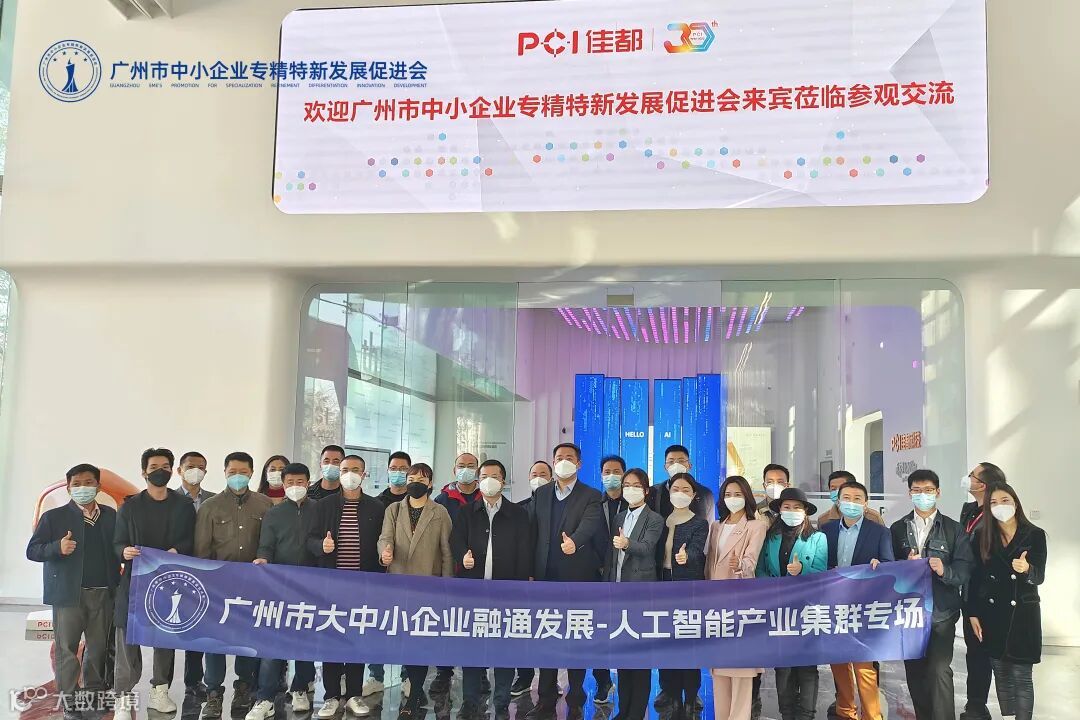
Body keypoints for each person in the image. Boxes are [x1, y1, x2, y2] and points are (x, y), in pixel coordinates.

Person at [27, 464, 120, 720]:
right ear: (68, 488)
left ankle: (92, 696)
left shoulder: (111, 516)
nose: (82, 488)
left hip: (103, 594)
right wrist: (56, 547)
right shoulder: (54, 517)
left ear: (98, 487)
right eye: (76, 484)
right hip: (68, 595)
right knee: (67, 649)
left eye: (88, 483)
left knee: (98, 649)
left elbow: (119, 548)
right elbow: (32, 550)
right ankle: (69, 701)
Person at [112, 448, 197, 720]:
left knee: (164, 637)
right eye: (154, 467)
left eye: (165, 466)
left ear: (172, 470)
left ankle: (160, 691)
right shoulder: (130, 507)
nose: (160, 471)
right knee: (127, 638)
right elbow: (117, 542)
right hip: (134, 583)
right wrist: (124, 551)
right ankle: (123, 697)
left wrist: (176, 550)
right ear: (144, 472)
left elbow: (190, 541)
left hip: (170, 583)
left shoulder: (183, 506)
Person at [525, 443, 604, 720]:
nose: (564, 462)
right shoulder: (542, 493)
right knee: (547, 638)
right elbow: (533, 532)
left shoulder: (591, 495)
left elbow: (589, 525)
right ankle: (545, 700)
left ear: (579, 463)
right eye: (559, 457)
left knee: (575, 639)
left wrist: (575, 542)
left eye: (569, 458)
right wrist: (530, 571)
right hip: (545, 576)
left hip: (578, 578)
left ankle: (576, 699)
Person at [308, 454, 388, 719]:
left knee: (357, 639)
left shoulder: (376, 507)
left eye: (355, 470)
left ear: (364, 474)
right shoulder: (324, 505)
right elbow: (310, 539)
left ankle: (354, 694)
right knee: (331, 638)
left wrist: (383, 560)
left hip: (363, 586)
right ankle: (331, 696)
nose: (349, 474)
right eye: (345, 469)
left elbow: (382, 542)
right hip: (331, 584)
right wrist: (321, 546)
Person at [890, 469, 973, 720]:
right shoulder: (898, 528)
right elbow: (889, 569)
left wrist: (944, 570)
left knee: (939, 670)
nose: (922, 495)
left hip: (941, 613)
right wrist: (905, 566)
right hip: (909, 614)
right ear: (909, 493)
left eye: (928, 490)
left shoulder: (953, 529)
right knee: (915, 671)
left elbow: (964, 570)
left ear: (938, 492)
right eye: (917, 490)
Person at [452, 460, 533, 720]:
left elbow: (524, 552)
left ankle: (501, 702)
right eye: (484, 475)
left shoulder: (518, 514)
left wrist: (520, 589)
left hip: (506, 592)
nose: (489, 480)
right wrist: (462, 556)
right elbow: (456, 541)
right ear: (478, 480)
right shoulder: (466, 512)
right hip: (473, 591)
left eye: (494, 476)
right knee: (472, 649)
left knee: (504, 649)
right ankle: (470, 701)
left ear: (503, 481)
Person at [195, 451, 273, 718]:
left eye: (243, 472)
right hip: (218, 585)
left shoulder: (265, 505)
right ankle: (213, 694)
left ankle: (243, 688)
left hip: (254, 585)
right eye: (232, 472)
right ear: (224, 473)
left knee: (248, 638)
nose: (237, 477)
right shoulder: (210, 507)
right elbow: (202, 550)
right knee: (214, 640)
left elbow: (268, 544)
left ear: (251, 473)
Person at [378, 462, 454, 720]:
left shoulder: (439, 512)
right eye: (411, 479)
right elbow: (385, 538)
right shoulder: (393, 509)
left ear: (430, 483)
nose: (415, 483)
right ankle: (411, 686)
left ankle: (414, 693)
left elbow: (447, 551)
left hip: (428, 586)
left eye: (421, 479)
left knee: (420, 640)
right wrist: (385, 552)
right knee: (403, 640)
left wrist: (447, 585)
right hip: (398, 583)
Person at [967, 483, 1046, 720]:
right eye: (993, 503)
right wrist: (972, 613)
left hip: (1023, 614)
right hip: (992, 613)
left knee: (1022, 675)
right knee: (1000, 671)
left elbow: (1039, 576)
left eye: (1005, 501)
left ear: (1015, 503)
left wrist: (1027, 569)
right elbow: (975, 578)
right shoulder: (982, 536)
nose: (999, 506)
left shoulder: (1034, 534)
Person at [247, 463, 320, 720]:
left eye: (300, 482)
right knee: (273, 642)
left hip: (311, 586)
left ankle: (300, 688)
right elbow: (265, 546)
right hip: (279, 586)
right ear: (283, 483)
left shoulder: (319, 510)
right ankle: (265, 697)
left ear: (308, 483)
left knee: (305, 641)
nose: (295, 487)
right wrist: (263, 559)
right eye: (290, 482)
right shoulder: (274, 513)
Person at [820, 480, 894, 720]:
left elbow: (890, 565)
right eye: (846, 498)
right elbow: (819, 564)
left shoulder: (879, 531)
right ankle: (845, 711)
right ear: (838, 501)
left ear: (866, 503)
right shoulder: (826, 530)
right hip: (833, 606)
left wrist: (880, 566)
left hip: (864, 607)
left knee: (864, 666)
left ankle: (872, 715)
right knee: (838, 662)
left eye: (857, 499)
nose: (851, 503)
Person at [758, 487, 827, 720]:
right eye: (787, 507)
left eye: (797, 507)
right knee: (783, 666)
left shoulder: (818, 538)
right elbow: (761, 570)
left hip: (807, 609)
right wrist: (774, 588)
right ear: (779, 510)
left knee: (807, 666)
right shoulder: (770, 537)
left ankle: (806, 715)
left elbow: (821, 572)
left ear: (805, 511)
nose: (792, 511)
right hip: (779, 610)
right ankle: (786, 713)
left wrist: (802, 570)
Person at [706, 476, 767, 720]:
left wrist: (740, 565)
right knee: (719, 669)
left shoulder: (755, 525)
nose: (733, 499)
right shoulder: (716, 526)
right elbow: (710, 564)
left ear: (747, 497)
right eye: (728, 494)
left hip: (740, 603)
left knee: (740, 669)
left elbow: (751, 560)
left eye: (738, 494)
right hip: (714, 605)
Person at [607, 468, 664, 720]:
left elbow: (647, 547)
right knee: (622, 656)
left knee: (640, 659)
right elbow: (611, 556)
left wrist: (627, 543)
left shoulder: (655, 518)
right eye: (626, 485)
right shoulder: (619, 517)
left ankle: (637, 713)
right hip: (618, 591)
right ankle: (623, 711)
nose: (630, 489)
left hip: (641, 592)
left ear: (646, 490)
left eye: (636, 485)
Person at [654, 473, 709, 715]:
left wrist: (687, 556)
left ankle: (690, 695)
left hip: (688, 588)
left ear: (694, 495)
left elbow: (697, 551)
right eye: (676, 488)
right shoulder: (661, 520)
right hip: (663, 585)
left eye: (686, 489)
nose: (680, 493)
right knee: (668, 643)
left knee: (688, 642)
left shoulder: (699, 523)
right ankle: (672, 694)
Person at [430, 451, 482, 695]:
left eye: (471, 466)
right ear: (454, 470)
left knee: (478, 623)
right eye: (462, 465)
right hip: (449, 570)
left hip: (478, 572)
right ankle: (444, 671)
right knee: (447, 623)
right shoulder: (442, 500)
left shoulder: (486, 497)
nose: (466, 470)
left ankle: (480, 672)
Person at [959, 461, 1006, 720]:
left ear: (983, 484)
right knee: (973, 650)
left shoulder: (997, 515)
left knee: (983, 651)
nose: (968, 478)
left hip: (987, 592)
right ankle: (974, 703)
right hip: (967, 590)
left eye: (972, 475)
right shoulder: (969, 510)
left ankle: (979, 705)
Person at [366, 450, 412, 697]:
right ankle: (376, 675)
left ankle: (407, 676)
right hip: (380, 574)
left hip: (409, 574)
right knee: (378, 624)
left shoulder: (419, 502)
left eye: (403, 469)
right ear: (387, 470)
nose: (398, 473)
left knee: (408, 624)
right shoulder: (376, 503)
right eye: (394, 468)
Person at [749, 462, 792, 718]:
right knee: (754, 655)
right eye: (770, 481)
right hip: (758, 592)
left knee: (784, 658)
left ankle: (787, 708)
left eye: (780, 481)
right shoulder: (754, 511)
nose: (775, 485)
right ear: (763, 484)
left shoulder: (795, 510)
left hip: (789, 596)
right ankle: (752, 707)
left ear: (788, 484)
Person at [511, 459, 553, 699]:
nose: (538, 478)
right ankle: (524, 676)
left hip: (550, 577)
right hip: (524, 577)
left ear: (551, 478)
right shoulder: (518, 509)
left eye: (543, 473)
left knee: (549, 627)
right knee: (523, 627)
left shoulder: (558, 507)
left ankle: (550, 680)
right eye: (534, 473)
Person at [175, 450, 214, 700]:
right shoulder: (169, 499)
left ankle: (194, 680)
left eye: (200, 467)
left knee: (199, 627)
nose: (195, 471)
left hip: (205, 571)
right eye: (190, 466)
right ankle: (161, 684)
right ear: (179, 470)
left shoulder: (213, 500)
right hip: (176, 570)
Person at [592, 454, 627, 704]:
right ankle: (602, 680)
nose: (611, 476)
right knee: (599, 631)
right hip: (598, 575)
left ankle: (628, 686)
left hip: (627, 576)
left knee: (627, 628)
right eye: (607, 471)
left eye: (616, 471)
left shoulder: (635, 503)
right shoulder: (594, 502)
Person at [652, 444, 715, 522]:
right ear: (665, 467)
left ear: (689, 465)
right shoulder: (655, 492)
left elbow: (709, 524)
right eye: (671, 461)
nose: (676, 465)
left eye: (681, 461)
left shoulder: (705, 493)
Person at [815, 471, 884, 527]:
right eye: (833, 489)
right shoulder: (823, 520)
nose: (837, 492)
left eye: (841, 488)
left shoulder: (873, 517)